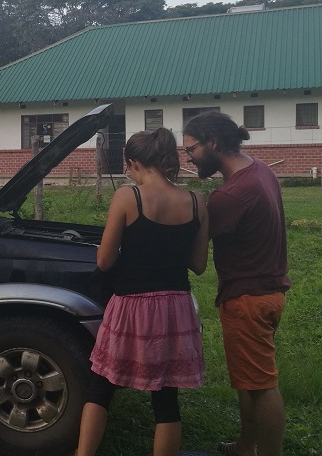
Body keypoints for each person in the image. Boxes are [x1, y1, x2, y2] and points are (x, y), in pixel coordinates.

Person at [77, 128, 209, 456]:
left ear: (133, 163)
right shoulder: (196, 202)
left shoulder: (128, 197)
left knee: (100, 387)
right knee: (166, 399)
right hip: (175, 308)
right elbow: (199, 264)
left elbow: (105, 261)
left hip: (131, 306)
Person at [182, 111, 290, 456]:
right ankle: (246, 445)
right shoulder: (260, 170)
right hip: (266, 292)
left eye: (191, 149)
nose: (188, 157)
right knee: (248, 380)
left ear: (213, 143)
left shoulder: (231, 196)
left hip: (248, 300)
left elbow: (193, 248)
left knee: (262, 386)